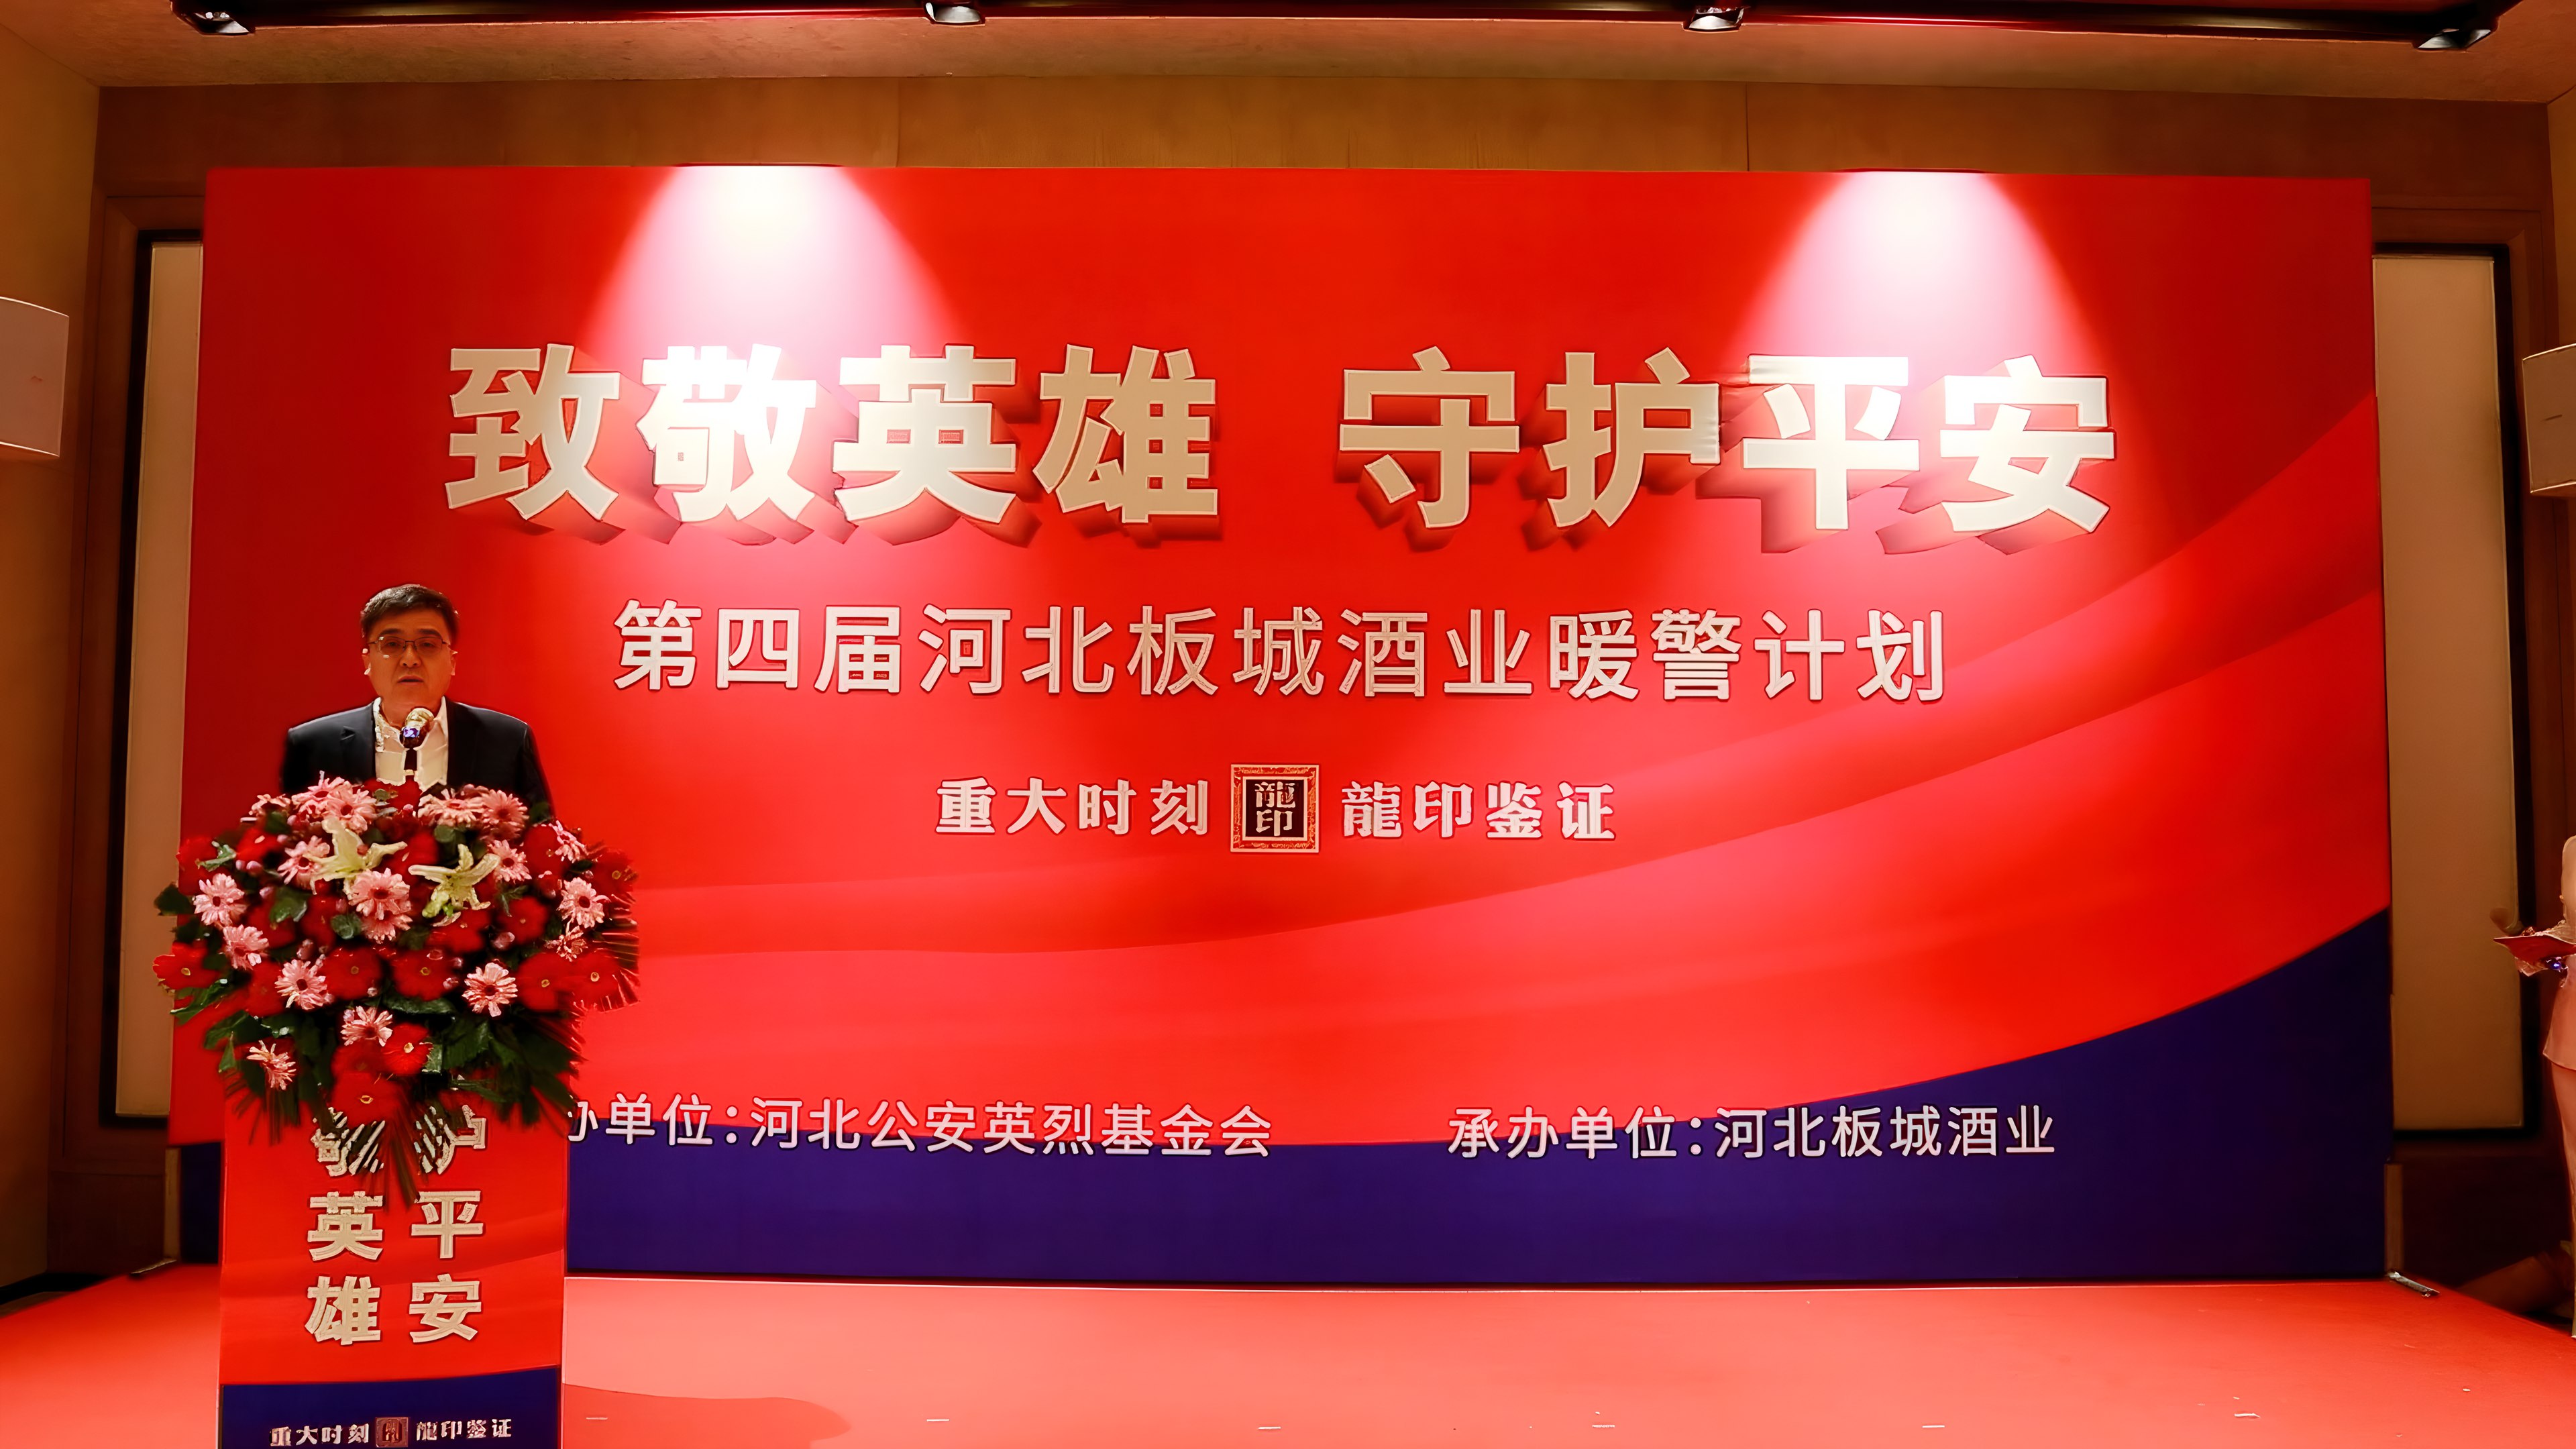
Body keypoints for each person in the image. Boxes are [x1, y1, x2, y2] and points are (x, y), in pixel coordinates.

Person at [278, 583, 551, 810]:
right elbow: (291, 843)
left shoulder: (506, 741)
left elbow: (543, 839)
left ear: (452, 662)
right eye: (392, 644)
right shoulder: (314, 745)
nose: (410, 659)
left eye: (428, 645)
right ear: (367, 661)